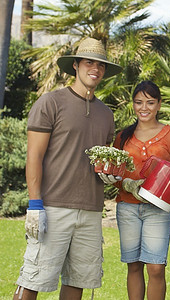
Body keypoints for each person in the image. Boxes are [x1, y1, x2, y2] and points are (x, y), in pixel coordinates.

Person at [14, 37, 122, 300]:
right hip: (52, 207)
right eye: (88, 62)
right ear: (75, 65)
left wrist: (110, 174)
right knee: (33, 278)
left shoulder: (106, 114)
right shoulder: (51, 103)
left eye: (100, 65)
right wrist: (35, 204)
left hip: (91, 211)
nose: (95, 69)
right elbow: (34, 157)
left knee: (78, 282)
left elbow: (102, 161)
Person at [99, 80, 170, 300]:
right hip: (127, 209)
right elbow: (115, 173)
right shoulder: (123, 137)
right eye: (138, 102)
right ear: (133, 105)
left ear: (158, 105)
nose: (144, 108)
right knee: (134, 266)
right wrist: (125, 183)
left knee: (156, 268)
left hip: (158, 210)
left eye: (150, 102)